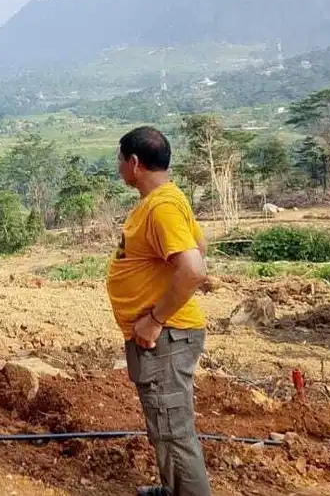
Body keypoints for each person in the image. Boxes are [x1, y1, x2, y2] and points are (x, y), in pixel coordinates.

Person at [106, 126, 211, 496]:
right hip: (162, 336)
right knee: (164, 425)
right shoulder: (166, 199)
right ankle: (172, 489)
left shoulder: (163, 207)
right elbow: (199, 244)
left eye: (120, 159)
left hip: (166, 336)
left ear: (134, 163)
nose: (118, 165)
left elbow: (194, 269)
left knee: (173, 429)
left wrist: (154, 319)